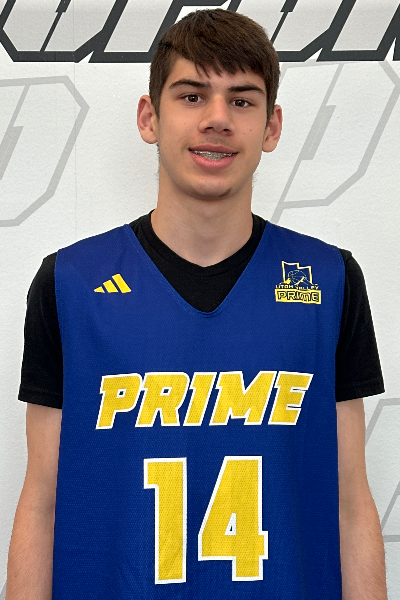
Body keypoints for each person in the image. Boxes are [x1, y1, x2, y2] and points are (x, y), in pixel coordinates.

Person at [6, 9, 387, 600]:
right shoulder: (71, 283)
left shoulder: (328, 280)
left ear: (271, 126)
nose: (217, 118)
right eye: (191, 96)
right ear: (149, 117)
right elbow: (42, 502)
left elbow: (351, 503)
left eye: (242, 100)